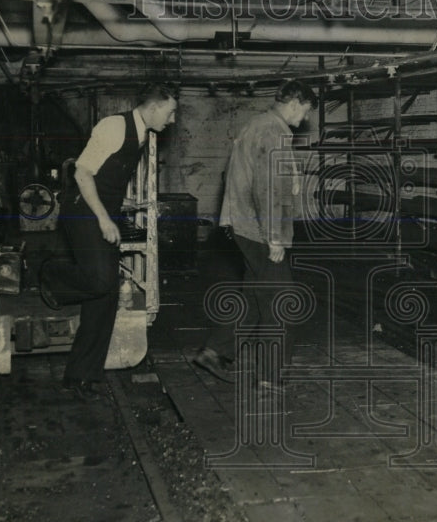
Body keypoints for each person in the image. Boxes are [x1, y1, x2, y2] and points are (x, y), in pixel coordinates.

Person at [40, 83, 178, 400]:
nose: (171, 120)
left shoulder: (143, 134)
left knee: (105, 297)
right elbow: (82, 173)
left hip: (103, 211)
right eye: (170, 112)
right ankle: (52, 274)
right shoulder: (114, 126)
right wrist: (103, 218)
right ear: (155, 107)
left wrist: (120, 205)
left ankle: (81, 376)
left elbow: (109, 176)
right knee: (101, 281)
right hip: (83, 212)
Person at [194, 79, 318, 384]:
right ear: (294, 103)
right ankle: (270, 377)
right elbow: (269, 188)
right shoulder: (273, 131)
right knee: (281, 302)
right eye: (304, 112)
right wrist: (275, 236)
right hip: (260, 230)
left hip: (245, 226)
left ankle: (214, 351)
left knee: (254, 298)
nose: (304, 119)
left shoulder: (258, 125)